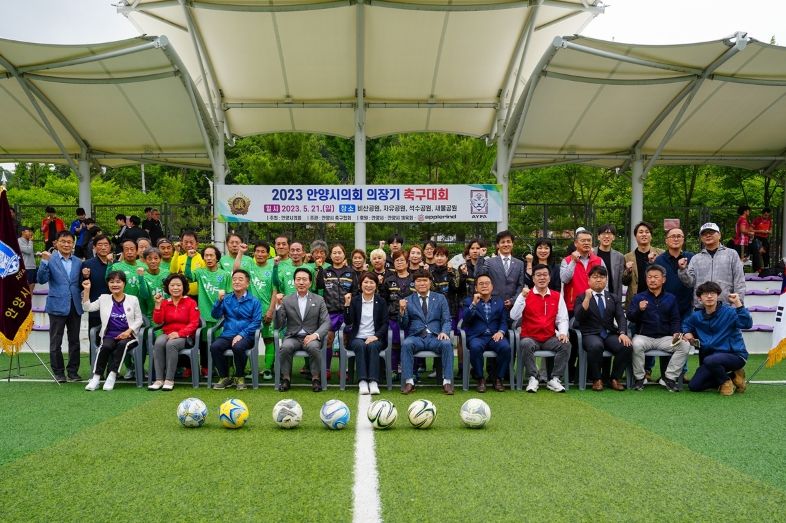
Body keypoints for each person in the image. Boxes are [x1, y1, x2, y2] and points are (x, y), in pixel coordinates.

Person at [626, 264, 690, 392]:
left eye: (656, 277)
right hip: (644, 337)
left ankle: (669, 378)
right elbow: (630, 317)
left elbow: (675, 319)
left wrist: (677, 333)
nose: (652, 280)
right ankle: (640, 378)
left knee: (684, 345)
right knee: (636, 344)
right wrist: (639, 309)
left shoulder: (671, 298)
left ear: (663, 280)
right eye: (649, 277)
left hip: (664, 338)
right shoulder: (639, 297)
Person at [683, 282, 752, 395]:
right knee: (694, 385)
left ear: (717, 296)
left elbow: (747, 324)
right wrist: (687, 333)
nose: (709, 296)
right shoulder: (697, 316)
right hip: (710, 359)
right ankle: (733, 376)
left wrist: (738, 303)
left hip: (735, 355)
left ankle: (725, 382)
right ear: (700, 299)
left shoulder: (729, 312)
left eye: (712, 293)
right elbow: (685, 325)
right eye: (705, 294)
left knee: (710, 360)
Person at [510, 263, 570, 393]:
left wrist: (563, 333)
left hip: (549, 337)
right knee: (525, 343)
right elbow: (514, 316)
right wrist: (521, 298)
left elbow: (563, 318)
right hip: (530, 337)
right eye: (538, 275)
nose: (542, 278)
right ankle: (533, 377)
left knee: (565, 344)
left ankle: (554, 379)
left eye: (545, 275)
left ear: (549, 278)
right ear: (533, 278)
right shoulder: (526, 295)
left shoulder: (556, 296)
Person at [81, 271, 144, 391]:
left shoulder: (133, 299)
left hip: (128, 336)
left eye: (118, 282)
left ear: (124, 284)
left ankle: (112, 375)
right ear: (108, 284)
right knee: (105, 346)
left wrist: (128, 331)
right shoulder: (104, 298)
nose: (115, 284)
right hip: (109, 335)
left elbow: (139, 320)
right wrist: (87, 290)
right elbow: (87, 308)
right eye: (112, 282)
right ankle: (96, 378)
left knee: (121, 345)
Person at [573, 265, 632, 391]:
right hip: (590, 334)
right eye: (595, 277)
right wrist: (587, 299)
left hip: (609, 333)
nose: (598, 280)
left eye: (602, 277)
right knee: (596, 346)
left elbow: (621, 317)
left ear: (606, 280)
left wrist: (622, 332)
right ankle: (597, 379)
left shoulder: (613, 297)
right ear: (588, 280)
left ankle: (614, 378)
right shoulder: (581, 297)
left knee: (626, 346)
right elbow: (578, 317)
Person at [37, 230, 83, 383]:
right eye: (63, 241)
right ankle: (58, 372)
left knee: (74, 341)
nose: (66, 244)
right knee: (56, 341)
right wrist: (44, 262)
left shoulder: (78, 261)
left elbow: (80, 284)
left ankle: (73, 372)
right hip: (57, 304)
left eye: (69, 242)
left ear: (73, 244)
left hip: (75, 305)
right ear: (56, 243)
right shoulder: (50, 259)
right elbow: (41, 279)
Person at [274, 268, 330, 392]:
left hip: (311, 336)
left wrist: (315, 335)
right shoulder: (287, 300)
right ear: (294, 282)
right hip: (293, 337)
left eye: (304, 279)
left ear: (310, 283)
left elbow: (326, 322)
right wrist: (277, 306)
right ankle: (286, 379)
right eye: (298, 279)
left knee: (314, 347)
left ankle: (315, 379)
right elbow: (278, 325)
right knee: (286, 347)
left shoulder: (319, 300)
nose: (301, 282)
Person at [399, 269, 454, 395]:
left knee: (446, 344)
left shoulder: (440, 298)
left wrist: (444, 332)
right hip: (416, 337)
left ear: (430, 282)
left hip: (435, 336)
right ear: (414, 284)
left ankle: (447, 382)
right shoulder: (407, 300)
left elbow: (446, 319)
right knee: (406, 344)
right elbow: (403, 324)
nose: (422, 283)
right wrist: (402, 311)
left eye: (425, 280)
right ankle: (409, 382)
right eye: (418, 281)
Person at [653, 227, 694, 382]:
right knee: (668, 340)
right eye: (672, 236)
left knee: (682, 340)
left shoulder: (691, 258)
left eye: (679, 236)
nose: (676, 239)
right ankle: (665, 374)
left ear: (683, 239)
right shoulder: (659, 260)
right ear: (666, 240)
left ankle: (680, 374)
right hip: (665, 307)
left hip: (686, 307)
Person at [210, 269, 262, 390]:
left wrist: (242, 334)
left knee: (238, 346)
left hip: (247, 336)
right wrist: (219, 301)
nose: (236, 282)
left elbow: (256, 321)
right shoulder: (226, 298)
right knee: (215, 347)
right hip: (228, 334)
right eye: (234, 279)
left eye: (240, 279)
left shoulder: (254, 301)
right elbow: (215, 315)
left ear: (247, 283)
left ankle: (239, 376)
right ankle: (224, 377)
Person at [149, 273, 201, 391]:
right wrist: (157, 305)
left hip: (185, 336)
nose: (175, 288)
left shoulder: (191, 302)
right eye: (172, 285)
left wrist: (179, 334)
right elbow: (158, 321)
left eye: (178, 285)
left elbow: (194, 323)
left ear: (184, 287)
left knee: (171, 344)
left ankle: (169, 379)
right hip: (167, 333)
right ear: (168, 287)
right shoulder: (165, 302)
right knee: (158, 342)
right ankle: (158, 379)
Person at [678, 222, 746, 310]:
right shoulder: (696, 258)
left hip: (726, 307)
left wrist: (737, 304)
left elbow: (739, 281)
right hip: (701, 308)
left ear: (719, 235)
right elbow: (690, 283)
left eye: (711, 232)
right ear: (701, 238)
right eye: (704, 233)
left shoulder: (731, 254)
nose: (708, 235)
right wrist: (683, 270)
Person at [462, 274, 511, 392]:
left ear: (492, 286)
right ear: (475, 288)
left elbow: (504, 320)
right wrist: (474, 304)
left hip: (495, 335)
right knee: (475, 347)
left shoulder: (499, 302)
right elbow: (466, 319)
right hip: (477, 336)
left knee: (505, 347)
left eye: (487, 283)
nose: (484, 286)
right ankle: (480, 378)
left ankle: (498, 378)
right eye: (481, 284)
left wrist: (501, 331)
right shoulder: (468, 301)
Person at [235, 241, 276, 379]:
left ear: (268, 254)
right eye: (257, 251)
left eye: (263, 251)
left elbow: (275, 290)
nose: (260, 254)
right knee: (249, 339)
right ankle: (251, 369)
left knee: (269, 339)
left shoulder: (272, 267)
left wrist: (271, 310)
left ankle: (268, 369)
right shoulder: (249, 265)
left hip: (266, 310)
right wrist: (240, 252)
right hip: (249, 311)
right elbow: (236, 270)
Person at [346, 272, 389, 395]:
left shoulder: (381, 301)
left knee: (372, 345)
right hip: (357, 337)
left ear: (376, 285)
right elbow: (348, 321)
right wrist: (347, 305)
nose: (368, 285)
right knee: (360, 345)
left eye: (371, 282)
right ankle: (363, 381)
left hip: (376, 337)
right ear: (360, 285)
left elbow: (385, 323)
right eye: (365, 282)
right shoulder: (355, 301)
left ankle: (373, 381)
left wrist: (375, 336)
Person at [317, 243, 355, 377]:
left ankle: (343, 369)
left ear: (344, 255)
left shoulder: (351, 272)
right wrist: (319, 269)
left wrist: (350, 301)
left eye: (340, 253)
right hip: (329, 312)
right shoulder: (326, 271)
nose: (337, 255)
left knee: (345, 340)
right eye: (334, 253)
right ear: (330, 255)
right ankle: (326, 369)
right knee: (328, 339)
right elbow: (319, 287)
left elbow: (355, 291)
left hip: (346, 312)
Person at [476, 230, 525, 312]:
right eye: (503, 242)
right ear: (498, 245)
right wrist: (480, 257)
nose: (506, 244)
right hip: (493, 305)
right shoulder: (490, 262)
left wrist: (513, 300)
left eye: (508, 242)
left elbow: (520, 285)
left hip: (513, 307)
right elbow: (478, 275)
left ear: (513, 244)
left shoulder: (519, 263)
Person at [383, 250, 414, 376]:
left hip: (412, 318)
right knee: (394, 344)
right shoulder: (388, 280)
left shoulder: (415, 279)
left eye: (402, 260)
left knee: (410, 344)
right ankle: (393, 370)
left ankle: (410, 370)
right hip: (393, 317)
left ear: (407, 263)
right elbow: (384, 299)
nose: (399, 263)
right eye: (397, 260)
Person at [81, 234, 114, 346]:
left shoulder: (117, 265)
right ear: (94, 247)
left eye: (106, 244)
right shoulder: (88, 264)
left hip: (115, 311)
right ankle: (94, 364)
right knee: (95, 343)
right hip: (96, 310)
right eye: (100, 245)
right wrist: (85, 276)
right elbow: (82, 285)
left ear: (110, 247)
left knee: (114, 343)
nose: (103, 247)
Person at [622, 221, 664, 305]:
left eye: (647, 232)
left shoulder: (661, 254)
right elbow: (624, 282)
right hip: (635, 300)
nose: (644, 234)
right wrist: (628, 271)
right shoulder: (627, 257)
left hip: (657, 300)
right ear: (635, 236)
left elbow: (664, 276)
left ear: (651, 236)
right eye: (640, 232)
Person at [594, 224, 625, 301]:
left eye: (609, 234)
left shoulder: (619, 256)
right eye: (603, 234)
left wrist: (618, 300)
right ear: (598, 237)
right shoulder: (591, 253)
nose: (606, 236)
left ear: (613, 237)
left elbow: (619, 282)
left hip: (611, 296)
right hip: (593, 295)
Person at [169, 230, 204, 296]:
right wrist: (176, 252)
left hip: (199, 296)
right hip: (183, 295)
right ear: (182, 244)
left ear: (196, 244)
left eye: (191, 242)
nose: (188, 245)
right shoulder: (179, 258)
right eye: (186, 242)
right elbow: (173, 272)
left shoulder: (202, 258)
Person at [733, 204, 760, 271]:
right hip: (741, 242)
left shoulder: (740, 219)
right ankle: (740, 274)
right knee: (741, 259)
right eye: (748, 211)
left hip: (741, 241)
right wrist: (750, 233)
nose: (749, 212)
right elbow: (742, 230)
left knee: (743, 258)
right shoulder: (743, 219)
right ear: (745, 211)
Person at [18, 226, 36, 292]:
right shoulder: (19, 241)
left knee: (32, 284)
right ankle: (27, 301)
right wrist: (31, 241)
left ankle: (30, 301)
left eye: (31, 231)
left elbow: (30, 252)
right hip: (26, 267)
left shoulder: (28, 241)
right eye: (29, 231)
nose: (31, 233)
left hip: (32, 266)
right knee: (27, 285)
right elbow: (28, 251)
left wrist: (36, 254)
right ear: (23, 232)